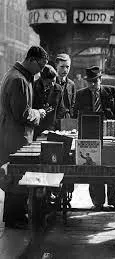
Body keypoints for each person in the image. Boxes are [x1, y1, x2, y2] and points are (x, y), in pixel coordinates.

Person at [0, 45, 49, 228]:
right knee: (16, 175)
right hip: (16, 135)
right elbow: (22, 114)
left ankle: (15, 217)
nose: (41, 71)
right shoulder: (19, 80)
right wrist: (38, 113)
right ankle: (15, 219)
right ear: (31, 60)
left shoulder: (14, 75)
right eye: (41, 66)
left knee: (14, 175)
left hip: (11, 133)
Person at [73, 65, 115, 211]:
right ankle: (98, 202)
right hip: (90, 136)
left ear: (100, 80)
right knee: (94, 168)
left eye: (94, 81)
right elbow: (74, 115)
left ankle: (112, 200)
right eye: (89, 82)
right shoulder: (80, 94)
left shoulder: (111, 91)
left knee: (110, 167)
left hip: (109, 135)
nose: (92, 85)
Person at [33, 64, 65, 139]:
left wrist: (54, 125)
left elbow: (61, 110)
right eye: (49, 83)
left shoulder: (58, 89)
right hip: (35, 129)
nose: (52, 85)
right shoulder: (33, 87)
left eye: (54, 81)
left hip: (52, 129)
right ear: (42, 79)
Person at [55, 53, 76, 118]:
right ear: (56, 66)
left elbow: (73, 105)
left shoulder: (71, 84)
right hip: (53, 118)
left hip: (67, 119)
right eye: (62, 67)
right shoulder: (51, 82)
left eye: (67, 67)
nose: (65, 70)